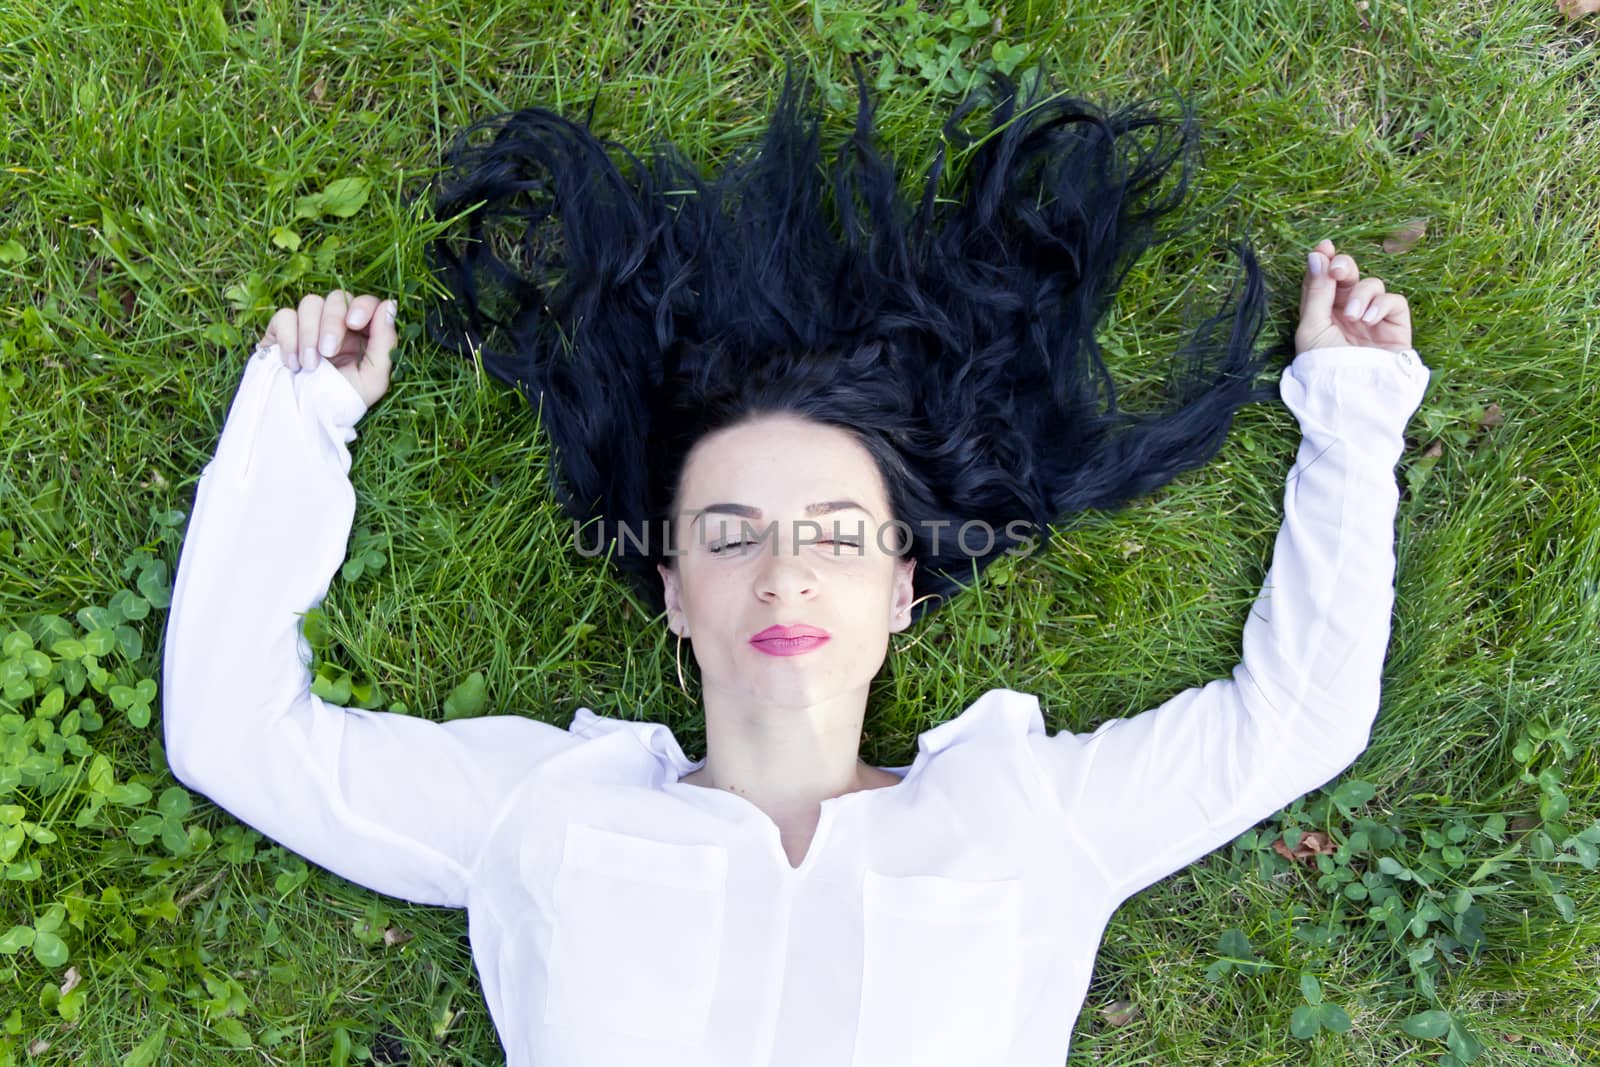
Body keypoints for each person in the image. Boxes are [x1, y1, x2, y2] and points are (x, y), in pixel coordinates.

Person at [161, 64, 1428, 1067]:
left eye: (834, 533)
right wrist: (297, 424)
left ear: (903, 587)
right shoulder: (540, 809)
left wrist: (1352, 414)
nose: (782, 573)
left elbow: (1295, 720)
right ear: (671, 587)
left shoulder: (1029, 820)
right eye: (728, 533)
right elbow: (231, 734)